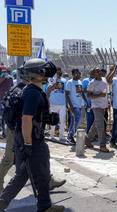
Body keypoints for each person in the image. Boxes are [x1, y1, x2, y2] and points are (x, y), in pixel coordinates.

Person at [0, 59, 65, 212]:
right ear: (37, 73)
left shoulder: (33, 90)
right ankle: (43, 206)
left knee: (31, 175)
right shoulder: (32, 93)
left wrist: (46, 118)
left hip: (29, 138)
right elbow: (26, 119)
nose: (46, 72)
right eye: (43, 70)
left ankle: (43, 206)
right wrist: (28, 144)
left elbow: (33, 116)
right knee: (32, 175)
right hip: (31, 140)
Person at [84, 68, 110, 153]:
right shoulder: (92, 83)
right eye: (97, 72)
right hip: (97, 107)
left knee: (96, 124)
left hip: (103, 106)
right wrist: (100, 95)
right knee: (100, 126)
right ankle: (102, 146)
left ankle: (87, 140)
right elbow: (89, 95)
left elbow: (108, 82)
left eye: (99, 71)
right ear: (93, 74)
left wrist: (107, 103)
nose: (99, 73)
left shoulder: (104, 79)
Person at [65, 69, 89, 144]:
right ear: (73, 74)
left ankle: (71, 134)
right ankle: (70, 136)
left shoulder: (80, 82)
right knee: (75, 120)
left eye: (79, 73)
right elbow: (67, 95)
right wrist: (70, 106)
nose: (78, 74)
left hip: (78, 105)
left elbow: (81, 93)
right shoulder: (69, 82)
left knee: (78, 120)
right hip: (73, 105)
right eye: (76, 73)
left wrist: (87, 102)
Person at [46, 68, 67, 140]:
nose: (59, 72)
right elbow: (50, 89)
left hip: (62, 104)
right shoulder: (51, 79)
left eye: (60, 70)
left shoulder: (64, 80)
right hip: (53, 103)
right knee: (53, 119)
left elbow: (65, 92)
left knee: (62, 120)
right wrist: (56, 81)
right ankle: (52, 135)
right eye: (58, 71)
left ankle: (61, 135)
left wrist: (67, 104)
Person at [0, 69, 13, 138]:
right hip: (7, 99)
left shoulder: (5, 78)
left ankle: (4, 132)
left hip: (3, 99)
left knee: (3, 117)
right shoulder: (10, 78)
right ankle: (4, 132)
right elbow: (11, 86)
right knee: (5, 117)